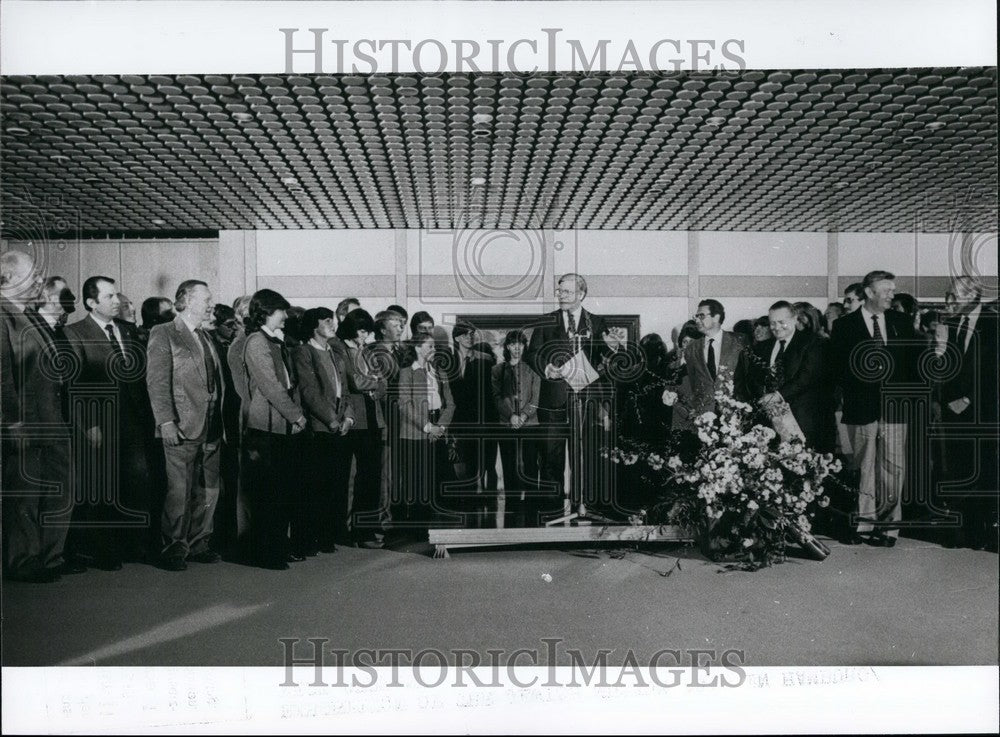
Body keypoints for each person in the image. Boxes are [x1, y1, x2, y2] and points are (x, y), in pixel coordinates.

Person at [63, 275, 155, 569]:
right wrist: (89, 425)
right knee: (103, 490)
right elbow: (74, 385)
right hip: (98, 425)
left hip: (133, 423)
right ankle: (103, 552)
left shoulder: (128, 331)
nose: (117, 301)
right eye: (110, 297)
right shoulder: (74, 333)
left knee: (136, 485)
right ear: (91, 302)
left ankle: (132, 546)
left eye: (117, 296)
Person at [1, 251, 76, 582]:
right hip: (25, 422)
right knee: (24, 496)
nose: (37, 281)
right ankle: (23, 560)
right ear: (8, 278)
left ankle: (49, 556)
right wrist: (11, 421)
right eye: (32, 276)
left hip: (49, 418)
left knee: (57, 489)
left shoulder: (25, 316)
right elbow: (2, 375)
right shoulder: (3, 316)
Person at [829, 270, 919, 548]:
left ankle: (889, 528)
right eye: (886, 290)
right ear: (869, 292)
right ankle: (864, 524)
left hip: (895, 410)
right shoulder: (845, 326)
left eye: (893, 290)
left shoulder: (902, 322)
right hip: (861, 409)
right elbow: (837, 368)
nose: (892, 295)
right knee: (864, 467)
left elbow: (914, 364)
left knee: (893, 469)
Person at [524, 273, 625, 519]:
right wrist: (547, 368)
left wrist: (614, 348)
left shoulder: (597, 323)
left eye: (566, 292)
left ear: (581, 294)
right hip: (554, 400)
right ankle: (552, 511)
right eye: (559, 291)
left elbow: (608, 357)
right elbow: (533, 353)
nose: (561, 296)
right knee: (551, 455)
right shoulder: (546, 321)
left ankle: (588, 507)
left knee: (588, 453)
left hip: (587, 399)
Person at [145, 280, 224, 571]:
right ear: (187, 300)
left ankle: (199, 543)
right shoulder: (164, 332)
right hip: (182, 424)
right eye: (206, 298)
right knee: (178, 490)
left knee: (207, 490)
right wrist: (165, 420)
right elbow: (156, 381)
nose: (211, 303)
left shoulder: (206, 336)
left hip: (213, 426)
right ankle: (173, 548)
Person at [232, 288, 306, 569]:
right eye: (280, 311)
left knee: (279, 492)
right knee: (267, 494)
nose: (285, 316)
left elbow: (288, 382)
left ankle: (275, 548)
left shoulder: (276, 341)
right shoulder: (256, 343)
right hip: (266, 428)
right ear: (266, 313)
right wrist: (296, 416)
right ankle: (265, 553)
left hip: (280, 427)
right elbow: (271, 386)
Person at [935, 276, 998, 551]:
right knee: (958, 468)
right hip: (952, 411)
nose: (950, 301)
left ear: (973, 295)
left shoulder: (993, 322)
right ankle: (964, 530)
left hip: (982, 411)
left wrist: (969, 398)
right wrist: (942, 400)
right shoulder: (949, 324)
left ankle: (986, 530)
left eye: (955, 296)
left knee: (984, 469)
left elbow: (994, 370)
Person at [292, 307, 355, 556]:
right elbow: (310, 392)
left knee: (334, 486)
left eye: (333, 320)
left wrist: (348, 417)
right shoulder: (303, 352)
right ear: (313, 325)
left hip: (339, 429)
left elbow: (346, 392)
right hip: (318, 429)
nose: (332, 324)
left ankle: (326, 537)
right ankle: (308, 540)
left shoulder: (336, 354)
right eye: (326, 320)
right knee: (313, 487)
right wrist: (330, 420)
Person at [746, 301, 833, 452]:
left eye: (781, 322)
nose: (776, 327)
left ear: (794, 319)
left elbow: (806, 377)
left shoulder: (814, 343)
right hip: (771, 424)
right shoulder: (763, 347)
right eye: (772, 323)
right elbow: (755, 378)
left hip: (802, 421)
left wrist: (778, 395)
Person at [333, 308, 387, 547]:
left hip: (373, 418)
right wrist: (374, 382)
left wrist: (374, 383)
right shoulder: (339, 347)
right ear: (351, 328)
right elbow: (352, 381)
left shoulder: (365, 350)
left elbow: (383, 382)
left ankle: (365, 530)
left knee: (372, 477)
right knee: (350, 479)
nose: (365, 336)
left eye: (368, 332)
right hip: (354, 419)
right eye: (362, 331)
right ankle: (345, 531)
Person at [394, 332, 456, 536]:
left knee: (434, 481)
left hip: (437, 430)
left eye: (434, 346)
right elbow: (405, 404)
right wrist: (427, 427)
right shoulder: (407, 372)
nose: (433, 349)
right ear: (417, 348)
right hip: (414, 434)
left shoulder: (439, 371)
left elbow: (450, 404)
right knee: (415, 482)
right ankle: (414, 531)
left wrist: (441, 428)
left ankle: (431, 529)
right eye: (429, 346)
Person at [446, 322, 497, 525]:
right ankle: (461, 505)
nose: (471, 338)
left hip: (478, 421)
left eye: (472, 334)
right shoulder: (447, 361)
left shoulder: (484, 361)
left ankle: (475, 509)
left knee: (478, 463)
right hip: (455, 420)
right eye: (466, 335)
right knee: (459, 463)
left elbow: (489, 395)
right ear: (457, 338)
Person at [491, 330, 542, 527]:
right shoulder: (497, 370)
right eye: (512, 344)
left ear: (524, 346)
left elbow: (535, 400)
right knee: (509, 462)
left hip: (530, 423)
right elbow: (496, 397)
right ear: (507, 347)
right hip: (506, 423)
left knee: (530, 463)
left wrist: (523, 415)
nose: (516, 347)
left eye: (520, 344)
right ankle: (512, 504)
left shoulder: (532, 369)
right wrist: (511, 415)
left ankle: (530, 503)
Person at [672, 298, 746, 432]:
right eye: (696, 316)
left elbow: (746, 379)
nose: (697, 320)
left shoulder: (739, 342)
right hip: (704, 419)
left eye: (701, 315)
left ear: (716, 317)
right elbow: (694, 384)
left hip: (733, 416)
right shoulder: (692, 349)